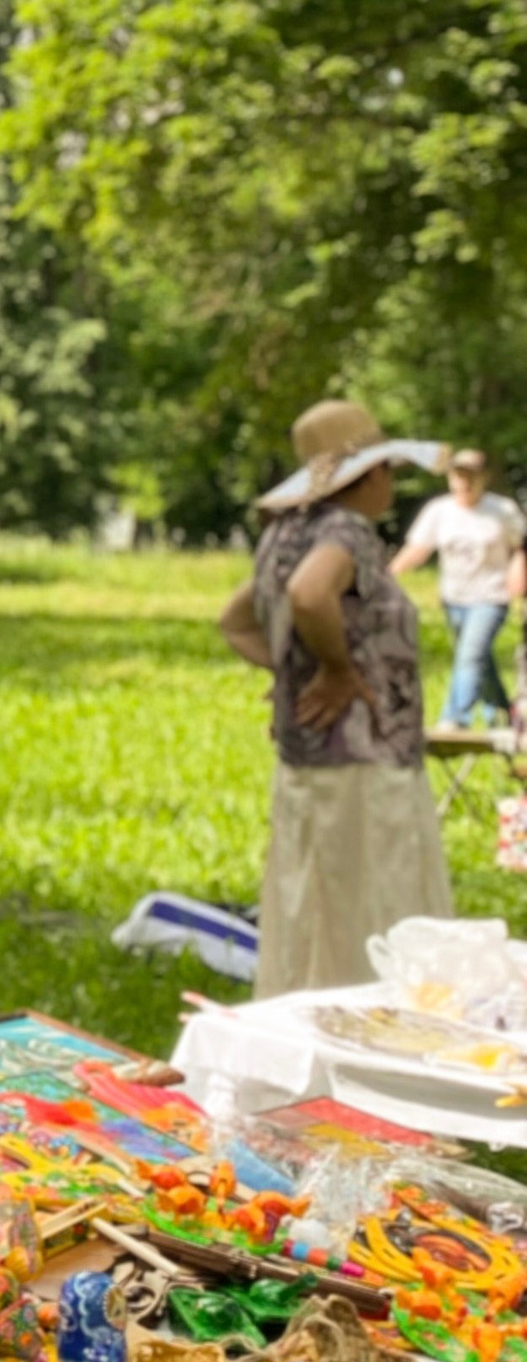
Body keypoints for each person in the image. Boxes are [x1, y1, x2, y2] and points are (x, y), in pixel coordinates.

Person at [217, 399, 454, 998]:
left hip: (312, 751)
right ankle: (373, 1019)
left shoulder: (285, 534)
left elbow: (236, 621)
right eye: (387, 470)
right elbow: (308, 593)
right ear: (367, 475)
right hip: (365, 753)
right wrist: (335, 670)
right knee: (372, 897)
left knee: (314, 897)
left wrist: (292, 671)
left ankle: (308, 1012)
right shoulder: (347, 532)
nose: (391, 484)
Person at [394, 448, 527, 732]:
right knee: (479, 658)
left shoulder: (502, 510)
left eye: (470, 476)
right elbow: (418, 548)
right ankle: (502, 712)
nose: (463, 482)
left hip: (491, 596)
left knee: (470, 655)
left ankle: (455, 718)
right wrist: (387, 574)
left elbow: (520, 546)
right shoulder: (439, 511)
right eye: (458, 476)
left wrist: (519, 572)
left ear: (484, 478)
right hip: (454, 598)